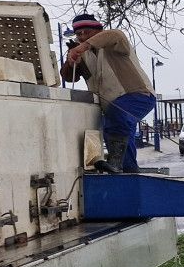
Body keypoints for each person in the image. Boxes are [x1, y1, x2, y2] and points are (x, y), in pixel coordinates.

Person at [60, 13, 155, 173]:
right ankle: (129, 168)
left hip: (138, 95)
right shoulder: (81, 54)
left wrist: (84, 46)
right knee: (120, 130)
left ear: (99, 31)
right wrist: (70, 62)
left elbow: (115, 34)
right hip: (111, 105)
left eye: (87, 32)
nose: (82, 37)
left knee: (117, 117)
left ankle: (117, 163)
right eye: (78, 34)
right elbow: (69, 77)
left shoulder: (115, 41)